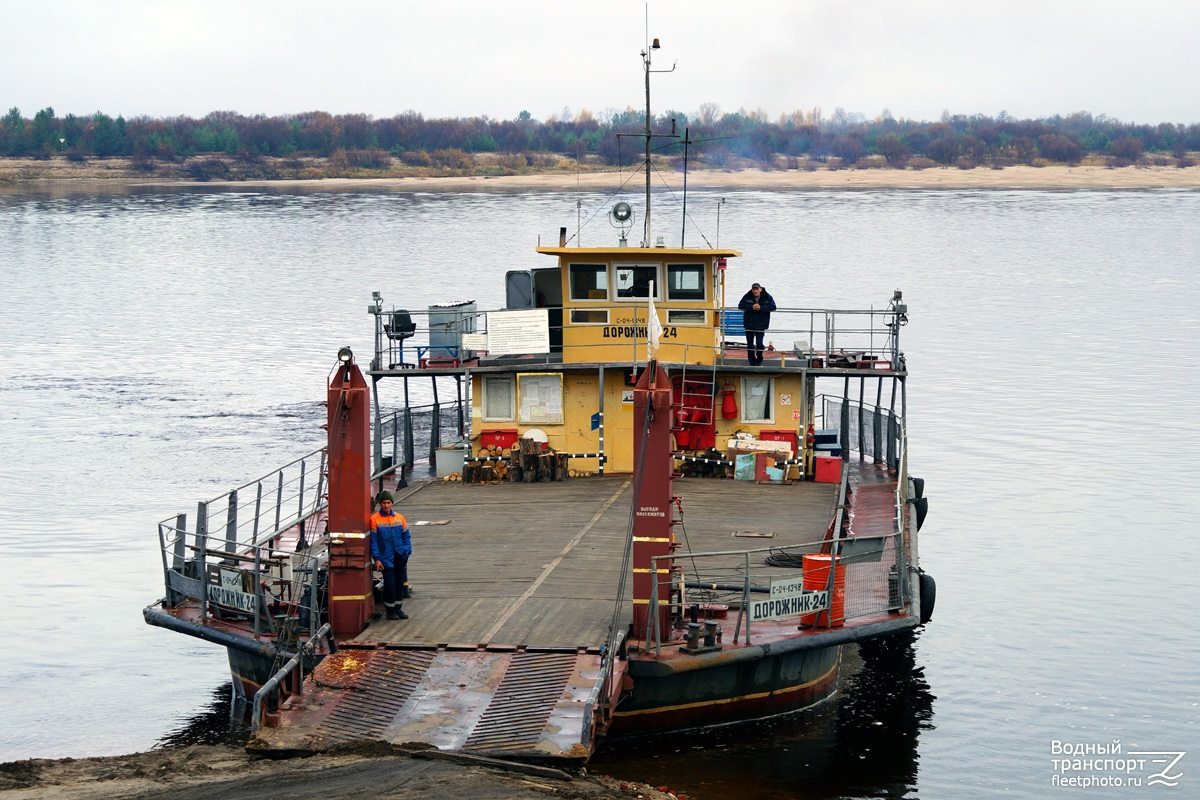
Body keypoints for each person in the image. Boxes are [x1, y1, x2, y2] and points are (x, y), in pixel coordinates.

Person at [370, 490, 411, 620]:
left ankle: (398, 608)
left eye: (388, 502)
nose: (386, 505)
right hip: (385, 557)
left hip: (400, 555)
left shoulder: (400, 518)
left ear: (392, 503)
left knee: (399, 583)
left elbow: (406, 536)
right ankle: (390, 611)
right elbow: (373, 541)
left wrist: (407, 550)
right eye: (384, 503)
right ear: (380, 504)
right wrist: (377, 559)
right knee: (389, 585)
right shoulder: (374, 519)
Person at [738, 282, 777, 366]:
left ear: (760, 289)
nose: (755, 291)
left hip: (761, 324)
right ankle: (752, 362)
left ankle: (759, 360)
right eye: (754, 289)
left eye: (757, 289)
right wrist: (751, 307)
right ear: (752, 290)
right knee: (750, 344)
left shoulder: (767, 296)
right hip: (749, 323)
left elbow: (773, 307)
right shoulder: (747, 296)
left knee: (759, 343)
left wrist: (761, 308)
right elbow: (740, 305)